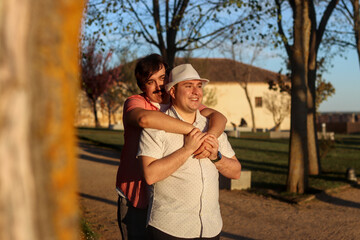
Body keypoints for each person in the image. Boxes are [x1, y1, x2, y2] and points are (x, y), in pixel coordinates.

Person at [116, 54, 228, 240]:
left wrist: (209, 138)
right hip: (136, 197)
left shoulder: (177, 103)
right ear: (142, 86)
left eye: (162, 78)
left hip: (167, 204)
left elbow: (219, 117)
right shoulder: (135, 102)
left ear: (169, 81)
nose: (159, 86)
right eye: (150, 82)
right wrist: (193, 131)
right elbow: (145, 119)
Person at [137, 64, 241, 239]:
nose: (196, 92)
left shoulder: (212, 127)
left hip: (210, 228)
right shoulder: (156, 127)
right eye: (188, 86)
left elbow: (236, 172)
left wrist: (217, 157)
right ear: (172, 92)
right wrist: (187, 149)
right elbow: (150, 175)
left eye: (199, 86)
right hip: (169, 229)